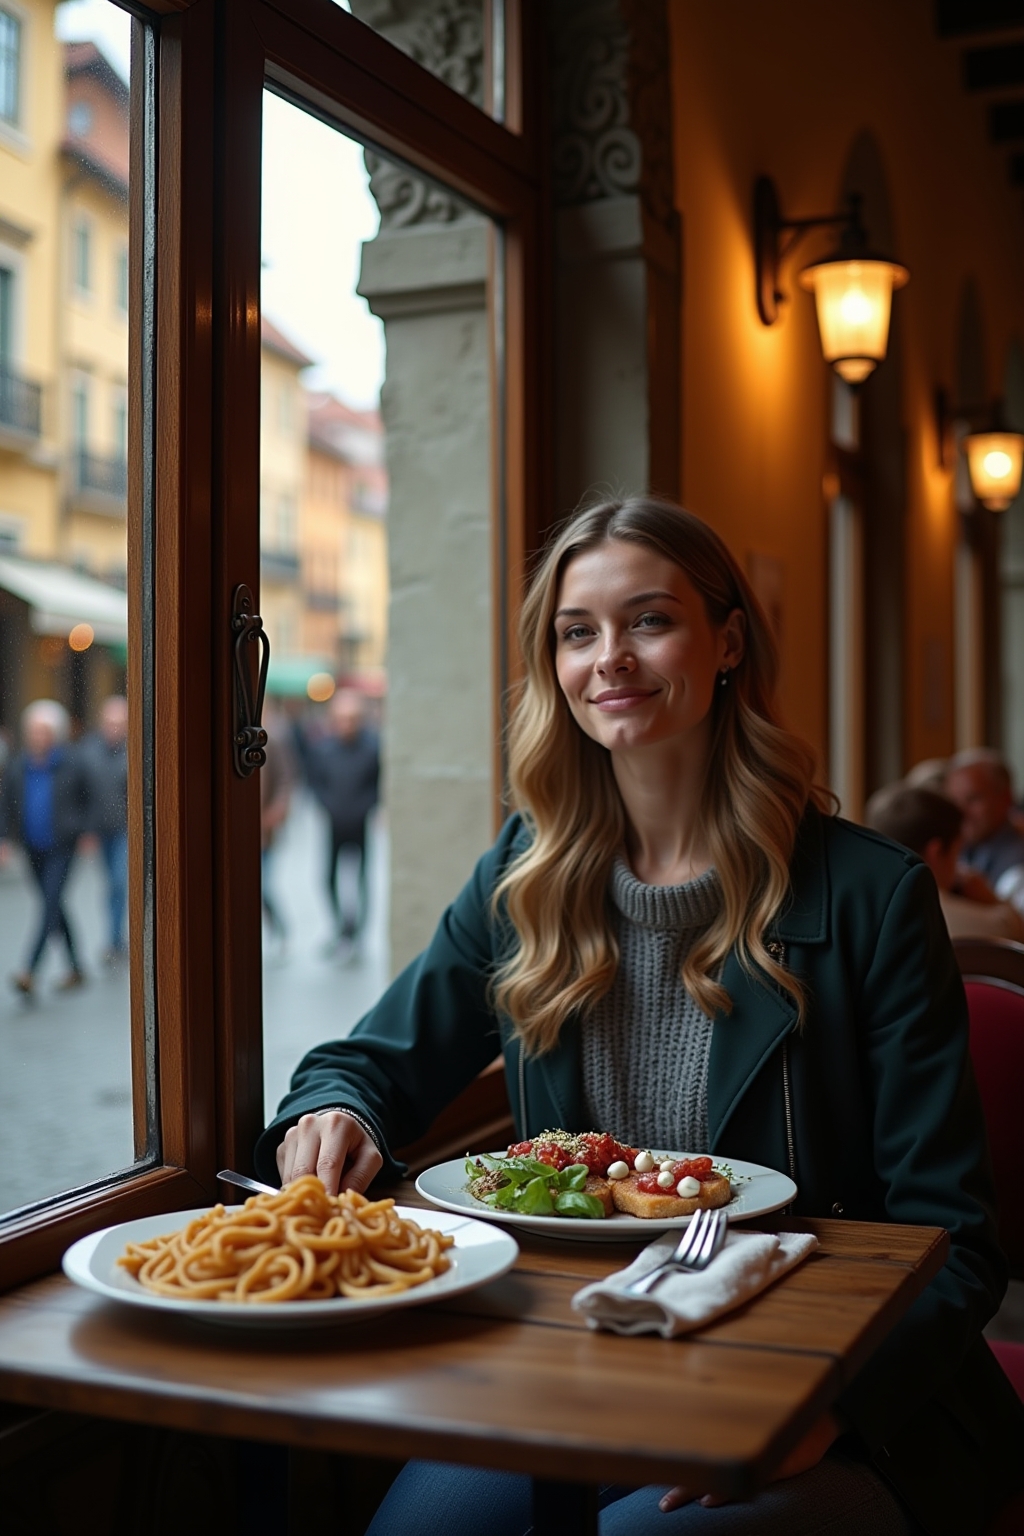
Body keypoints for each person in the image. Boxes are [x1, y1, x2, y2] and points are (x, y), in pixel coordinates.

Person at [255, 497, 1022, 1536]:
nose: (608, 657)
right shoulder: (524, 876)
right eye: (578, 632)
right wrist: (339, 1112)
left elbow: (953, 1237)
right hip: (574, 1363)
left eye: (649, 621)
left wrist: (829, 1411)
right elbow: (368, 1062)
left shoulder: (867, 895)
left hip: (824, 1387)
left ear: (727, 643)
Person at [0, 699, 92, 995]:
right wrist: (4, 839)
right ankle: (76, 967)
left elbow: (87, 797)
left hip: (62, 845)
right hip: (32, 846)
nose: (39, 737)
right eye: (34, 731)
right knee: (54, 906)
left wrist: (85, 830)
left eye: (45, 731)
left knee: (49, 904)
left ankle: (29, 970)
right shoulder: (19, 765)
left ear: (55, 734)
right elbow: (7, 804)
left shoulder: (71, 762)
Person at [864, 781, 1024, 943]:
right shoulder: (947, 917)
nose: (960, 867)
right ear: (936, 851)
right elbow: (1016, 935)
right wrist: (992, 900)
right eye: (957, 854)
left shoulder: (854, 906)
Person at [304, 687, 379, 955]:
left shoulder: (371, 749)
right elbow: (315, 783)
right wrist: (327, 806)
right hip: (334, 823)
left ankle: (357, 932)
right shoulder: (324, 750)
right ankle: (340, 927)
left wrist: (365, 808)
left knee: (361, 879)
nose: (346, 725)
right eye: (341, 719)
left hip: (359, 823)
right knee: (329, 878)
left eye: (351, 719)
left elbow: (376, 786)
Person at [79, 694, 129, 963]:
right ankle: (114, 938)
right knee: (110, 884)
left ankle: (114, 940)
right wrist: (86, 831)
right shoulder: (88, 750)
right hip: (99, 830)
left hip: (124, 829)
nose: (114, 728)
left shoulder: (134, 750)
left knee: (119, 882)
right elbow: (82, 794)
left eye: (119, 722)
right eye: (110, 722)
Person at [944, 748, 1024, 895]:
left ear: (1006, 798)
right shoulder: (959, 849)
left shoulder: (1016, 870)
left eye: (973, 799)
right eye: (954, 802)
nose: (961, 812)